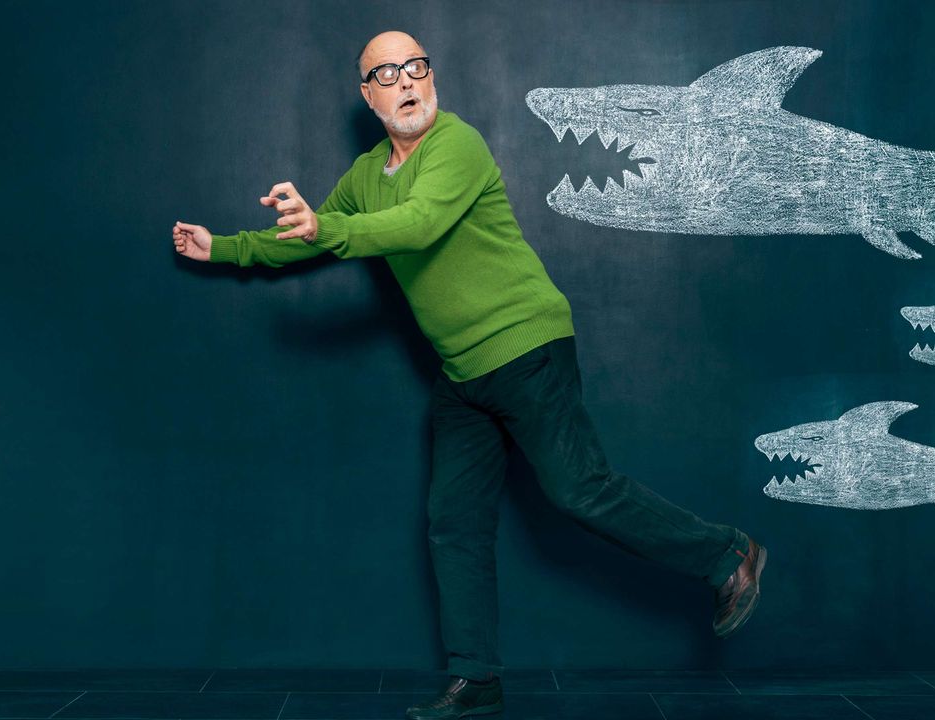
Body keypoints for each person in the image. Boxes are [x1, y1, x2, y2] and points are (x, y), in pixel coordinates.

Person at [171, 30, 767, 720]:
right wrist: (225, 248)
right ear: (369, 95)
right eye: (386, 74)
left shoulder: (457, 144)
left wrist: (326, 231)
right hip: (464, 375)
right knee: (452, 524)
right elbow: (311, 235)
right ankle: (476, 680)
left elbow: (417, 225)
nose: (405, 81)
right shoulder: (367, 174)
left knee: (580, 491)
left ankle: (729, 553)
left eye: (416, 66)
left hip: (527, 345)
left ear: (432, 78)